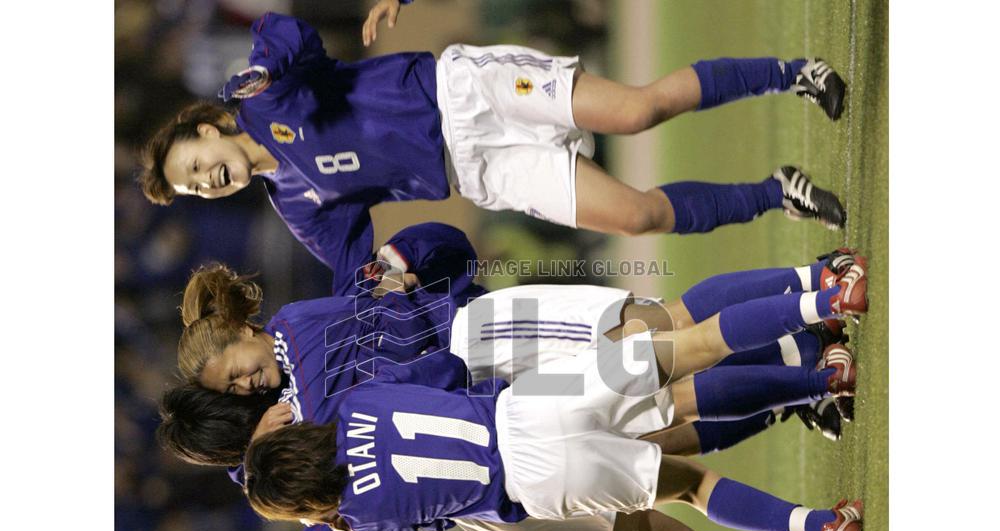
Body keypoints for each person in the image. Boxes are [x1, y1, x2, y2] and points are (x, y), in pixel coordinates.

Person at [163, 245, 868, 531]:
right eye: (237, 397)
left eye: (239, 378)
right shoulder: (302, 403)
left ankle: (811, 403)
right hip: (495, 389)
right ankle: (814, 321)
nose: (253, 389)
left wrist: (407, 253)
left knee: (672, 443)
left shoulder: (293, 394)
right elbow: (430, 353)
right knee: (672, 355)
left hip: (506, 486)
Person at [139, 10, 847, 291]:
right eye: (197, 189)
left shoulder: (261, 96)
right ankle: (778, 190)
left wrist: (262, 70)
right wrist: (384, 289)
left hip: (465, 93)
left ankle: (795, 75)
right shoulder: (298, 205)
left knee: (637, 110)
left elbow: (287, 32)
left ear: (209, 129)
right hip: (474, 170)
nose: (207, 182)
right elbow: (354, 273)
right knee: (635, 219)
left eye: (196, 166)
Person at [242, 340, 863, 531]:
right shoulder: (342, 395)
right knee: (672, 379)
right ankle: (813, 353)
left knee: (668, 524)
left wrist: (327, 520)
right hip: (519, 408)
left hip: (523, 497)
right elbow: (442, 366)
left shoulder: (357, 515)